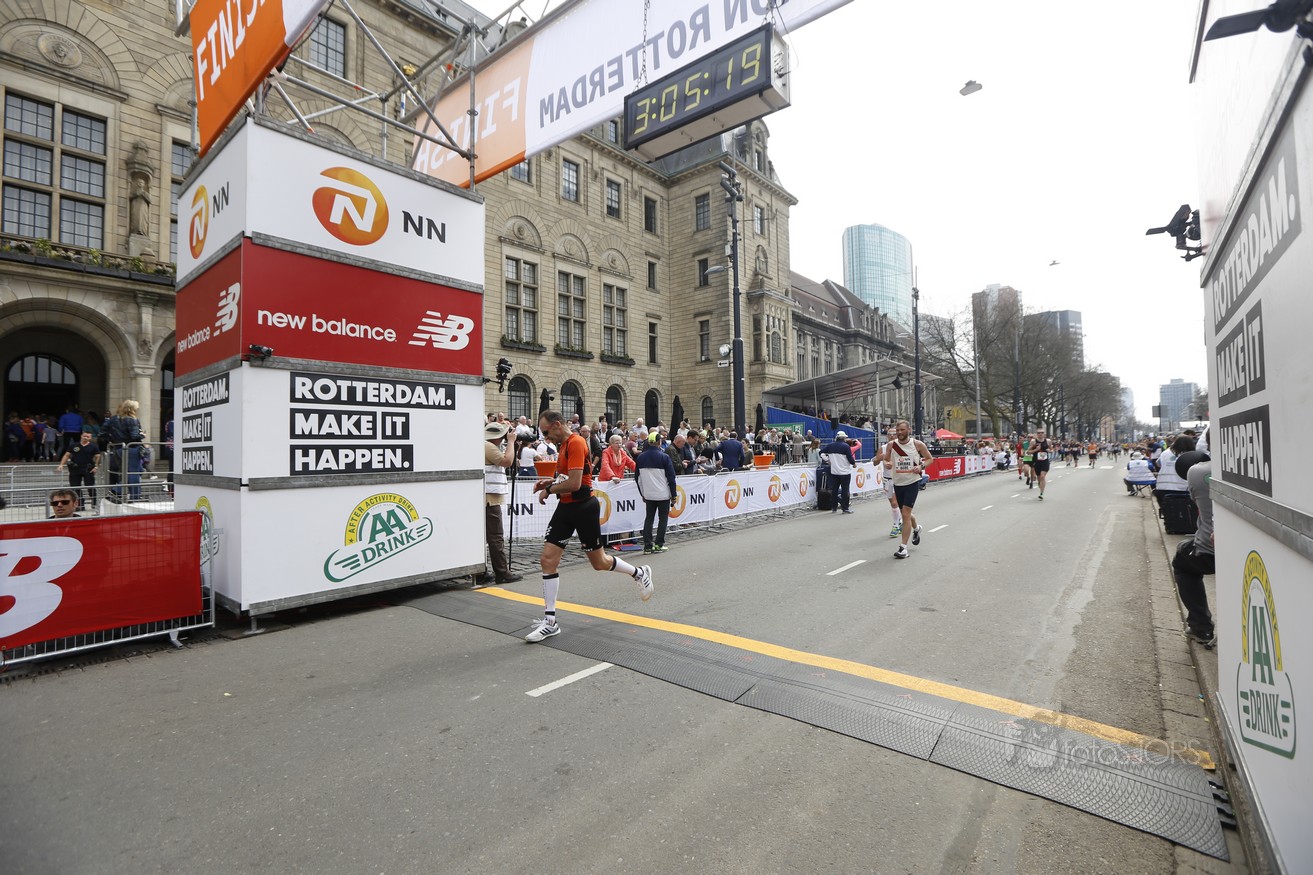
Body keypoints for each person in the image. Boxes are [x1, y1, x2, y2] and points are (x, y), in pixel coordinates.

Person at [526, 410, 653, 642]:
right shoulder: (563, 445)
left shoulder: (575, 443)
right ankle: (550, 622)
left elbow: (575, 484)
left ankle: (639, 573)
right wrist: (550, 482)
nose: (545, 437)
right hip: (566, 508)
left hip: (584, 507)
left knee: (599, 562)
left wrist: (549, 489)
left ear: (556, 425)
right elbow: (567, 478)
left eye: (546, 432)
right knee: (547, 560)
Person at [1172, 451, 1216, 647]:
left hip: (1209, 550)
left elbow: (1196, 500)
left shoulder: (1196, 471)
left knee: (1182, 560)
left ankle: (1201, 626)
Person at [480, 421, 523, 586]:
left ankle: (482, 571)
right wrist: (511, 442)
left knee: (483, 537)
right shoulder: (489, 446)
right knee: (496, 537)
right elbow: (507, 461)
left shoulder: (484, 445)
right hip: (489, 499)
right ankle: (502, 572)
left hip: (486, 497)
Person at [881, 419, 932, 559]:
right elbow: (886, 459)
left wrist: (920, 467)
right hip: (897, 482)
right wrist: (887, 463)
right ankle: (917, 528)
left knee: (905, 513)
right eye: (897, 430)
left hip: (912, 482)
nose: (899, 433)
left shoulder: (917, 444)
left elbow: (929, 459)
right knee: (906, 514)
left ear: (909, 430)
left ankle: (903, 548)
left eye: (902, 430)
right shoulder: (891, 445)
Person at [635, 432, 678, 553]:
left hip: (649, 494)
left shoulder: (640, 457)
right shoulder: (664, 457)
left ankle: (648, 546)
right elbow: (671, 478)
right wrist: (673, 495)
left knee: (649, 518)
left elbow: (637, 478)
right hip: (663, 494)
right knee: (663, 519)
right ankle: (659, 544)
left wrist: (642, 493)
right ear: (659, 442)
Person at [104, 400, 146, 501]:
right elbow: (134, 436)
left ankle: (120, 490)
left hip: (120, 448)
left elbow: (105, 431)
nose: (137, 409)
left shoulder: (119, 420)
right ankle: (133, 495)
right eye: (136, 408)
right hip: (131, 448)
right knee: (134, 472)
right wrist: (142, 435)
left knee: (135, 470)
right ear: (132, 409)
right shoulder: (132, 420)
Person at [57, 430, 101, 511]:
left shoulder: (93, 446)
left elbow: (98, 456)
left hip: (88, 468)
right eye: (84, 436)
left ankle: (94, 502)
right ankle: (80, 504)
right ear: (81, 436)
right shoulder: (74, 445)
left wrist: (96, 466)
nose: (85, 438)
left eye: (88, 436)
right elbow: (67, 455)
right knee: (75, 487)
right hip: (75, 468)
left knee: (90, 486)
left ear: (90, 438)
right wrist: (61, 464)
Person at [821, 430, 856, 514]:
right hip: (845, 472)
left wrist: (827, 460)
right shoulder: (845, 446)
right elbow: (850, 458)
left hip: (834, 471)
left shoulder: (830, 446)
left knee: (834, 490)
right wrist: (854, 463)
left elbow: (821, 453)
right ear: (843, 438)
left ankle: (834, 507)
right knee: (845, 490)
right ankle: (845, 508)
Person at [880, 427, 902, 537]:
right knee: (893, 504)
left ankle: (895, 525)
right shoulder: (883, 448)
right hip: (887, 478)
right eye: (889, 434)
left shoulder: (902, 447)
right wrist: (880, 459)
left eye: (894, 434)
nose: (892, 436)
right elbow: (875, 462)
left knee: (895, 503)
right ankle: (900, 521)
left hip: (898, 478)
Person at [1030, 428, 1053, 500]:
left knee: (1042, 476)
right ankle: (1040, 483)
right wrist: (1036, 450)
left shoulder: (1048, 441)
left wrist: (1050, 451)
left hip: (1045, 461)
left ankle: (1041, 493)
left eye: (1042, 432)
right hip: (1037, 462)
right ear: (1037, 434)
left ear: (1044, 434)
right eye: (1039, 433)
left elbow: (1052, 450)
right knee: (1039, 478)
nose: (1040, 434)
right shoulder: (1033, 441)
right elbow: (1028, 451)